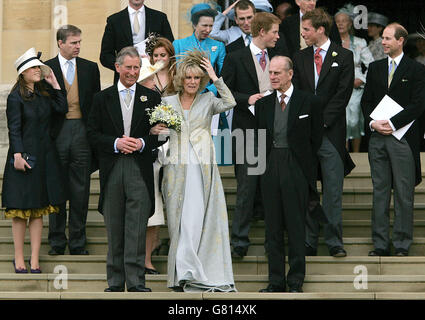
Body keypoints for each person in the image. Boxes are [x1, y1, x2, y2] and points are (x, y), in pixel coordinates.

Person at [87, 47, 164, 292]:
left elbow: (160, 134)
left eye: (136, 68)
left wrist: (142, 142)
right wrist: (115, 143)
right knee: (114, 225)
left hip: (139, 168)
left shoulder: (151, 97)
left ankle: (137, 281)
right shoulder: (102, 98)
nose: (132, 72)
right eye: (128, 67)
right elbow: (91, 134)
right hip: (112, 167)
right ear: (117, 67)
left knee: (137, 226)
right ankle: (115, 281)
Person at [160, 50, 236, 292]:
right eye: (188, 78)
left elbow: (230, 102)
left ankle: (195, 271)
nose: (192, 82)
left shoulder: (208, 101)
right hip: (176, 168)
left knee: (196, 219)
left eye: (196, 78)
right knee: (179, 221)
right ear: (181, 79)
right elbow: (159, 131)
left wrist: (215, 77)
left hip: (202, 169)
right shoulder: (167, 102)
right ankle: (181, 273)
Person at [256, 56, 324, 293]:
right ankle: (275, 281)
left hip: (296, 167)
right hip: (270, 165)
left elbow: (315, 139)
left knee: (296, 227)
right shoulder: (263, 104)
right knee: (272, 228)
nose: (272, 77)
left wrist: (302, 164)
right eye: (271, 73)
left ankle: (295, 281)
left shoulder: (309, 102)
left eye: (277, 73)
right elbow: (259, 140)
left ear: (290, 74)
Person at [293, 8, 355, 257]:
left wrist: (321, 122)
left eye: (306, 29)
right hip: (305, 135)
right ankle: (309, 241)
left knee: (332, 192)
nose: (303, 33)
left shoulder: (345, 56)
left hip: (331, 134)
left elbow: (343, 95)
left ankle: (334, 241)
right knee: (307, 190)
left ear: (320, 29)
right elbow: (297, 92)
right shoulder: (299, 57)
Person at [361, 23, 425, 257]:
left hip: (403, 138)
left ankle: (401, 244)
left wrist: (393, 123)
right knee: (380, 192)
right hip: (377, 137)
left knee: (403, 193)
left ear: (401, 41)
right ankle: (380, 244)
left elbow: (418, 104)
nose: (384, 42)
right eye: (383, 39)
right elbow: (366, 102)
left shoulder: (416, 69)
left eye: (388, 38)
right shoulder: (375, 68)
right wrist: (373, 123)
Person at [2, 48, 67, 273]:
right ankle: (19, 258)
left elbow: (62, 109)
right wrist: (17, 155)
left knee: (38, 211)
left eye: (39, 66)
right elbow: (14, 128)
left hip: (44, 159)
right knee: (20, 212)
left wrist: (56, 85)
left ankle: (35, 259)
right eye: (34, 67)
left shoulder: (44, 94)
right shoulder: (15, 97)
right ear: (23, 72)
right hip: (23, 159)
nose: (38, 70)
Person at [222, 12, 281, 258]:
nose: (278, 36)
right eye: (275, 32)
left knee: (273, 187)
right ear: (261, 32)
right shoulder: (236, 57)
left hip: (275, 133)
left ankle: (274, 240)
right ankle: (239, 242)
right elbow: (223, 91)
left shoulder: (278, 59)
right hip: (246, 132)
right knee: (246, 188)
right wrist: (247, 99)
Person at [45, 25, 101, 256]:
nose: (78, 46)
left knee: (80, 189)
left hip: (82, 133)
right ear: (60, 43)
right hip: (56, 135)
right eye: (73, 42)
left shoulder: (90, 68)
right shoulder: (45, 68)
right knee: (56, 188)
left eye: (79, 42)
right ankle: (57, 241)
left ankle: (78, 241)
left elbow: (96, 106)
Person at [173, 3, 230, 166]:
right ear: (194, 24)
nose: (208, 29)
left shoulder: (218, 46)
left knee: (209, 150)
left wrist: (210, 90)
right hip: (185, 99)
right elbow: (176, 72)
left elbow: (222, 73)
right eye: (204, 25)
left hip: (208, 98)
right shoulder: (178, 44)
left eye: (211, 25)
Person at [137, 57, 167, 275]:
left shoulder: (157, 100)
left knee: (154, 214)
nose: (152, 82)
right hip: (132, 162)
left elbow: (166, 130)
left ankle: (147, 259)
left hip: (155, 163)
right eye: (148, 78)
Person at [100, 0, 174, 83]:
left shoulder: (160, 18)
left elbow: (170, 48)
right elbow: (105, 56)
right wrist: (124, 66)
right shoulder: (114, 20)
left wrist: (156, 65)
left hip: (155, 79)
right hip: (125, 80)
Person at [334, 6, 374, 152]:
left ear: (350, 23)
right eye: (338, 21)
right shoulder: (331, 43)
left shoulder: (360, 42)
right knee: (341, 119)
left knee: (355, 118)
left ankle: (356, 154)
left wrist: (362, 79)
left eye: (344, 21)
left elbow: (372, 65)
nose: (340, 24)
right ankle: (344, 154)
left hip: (356, 85)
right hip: (337, 86)